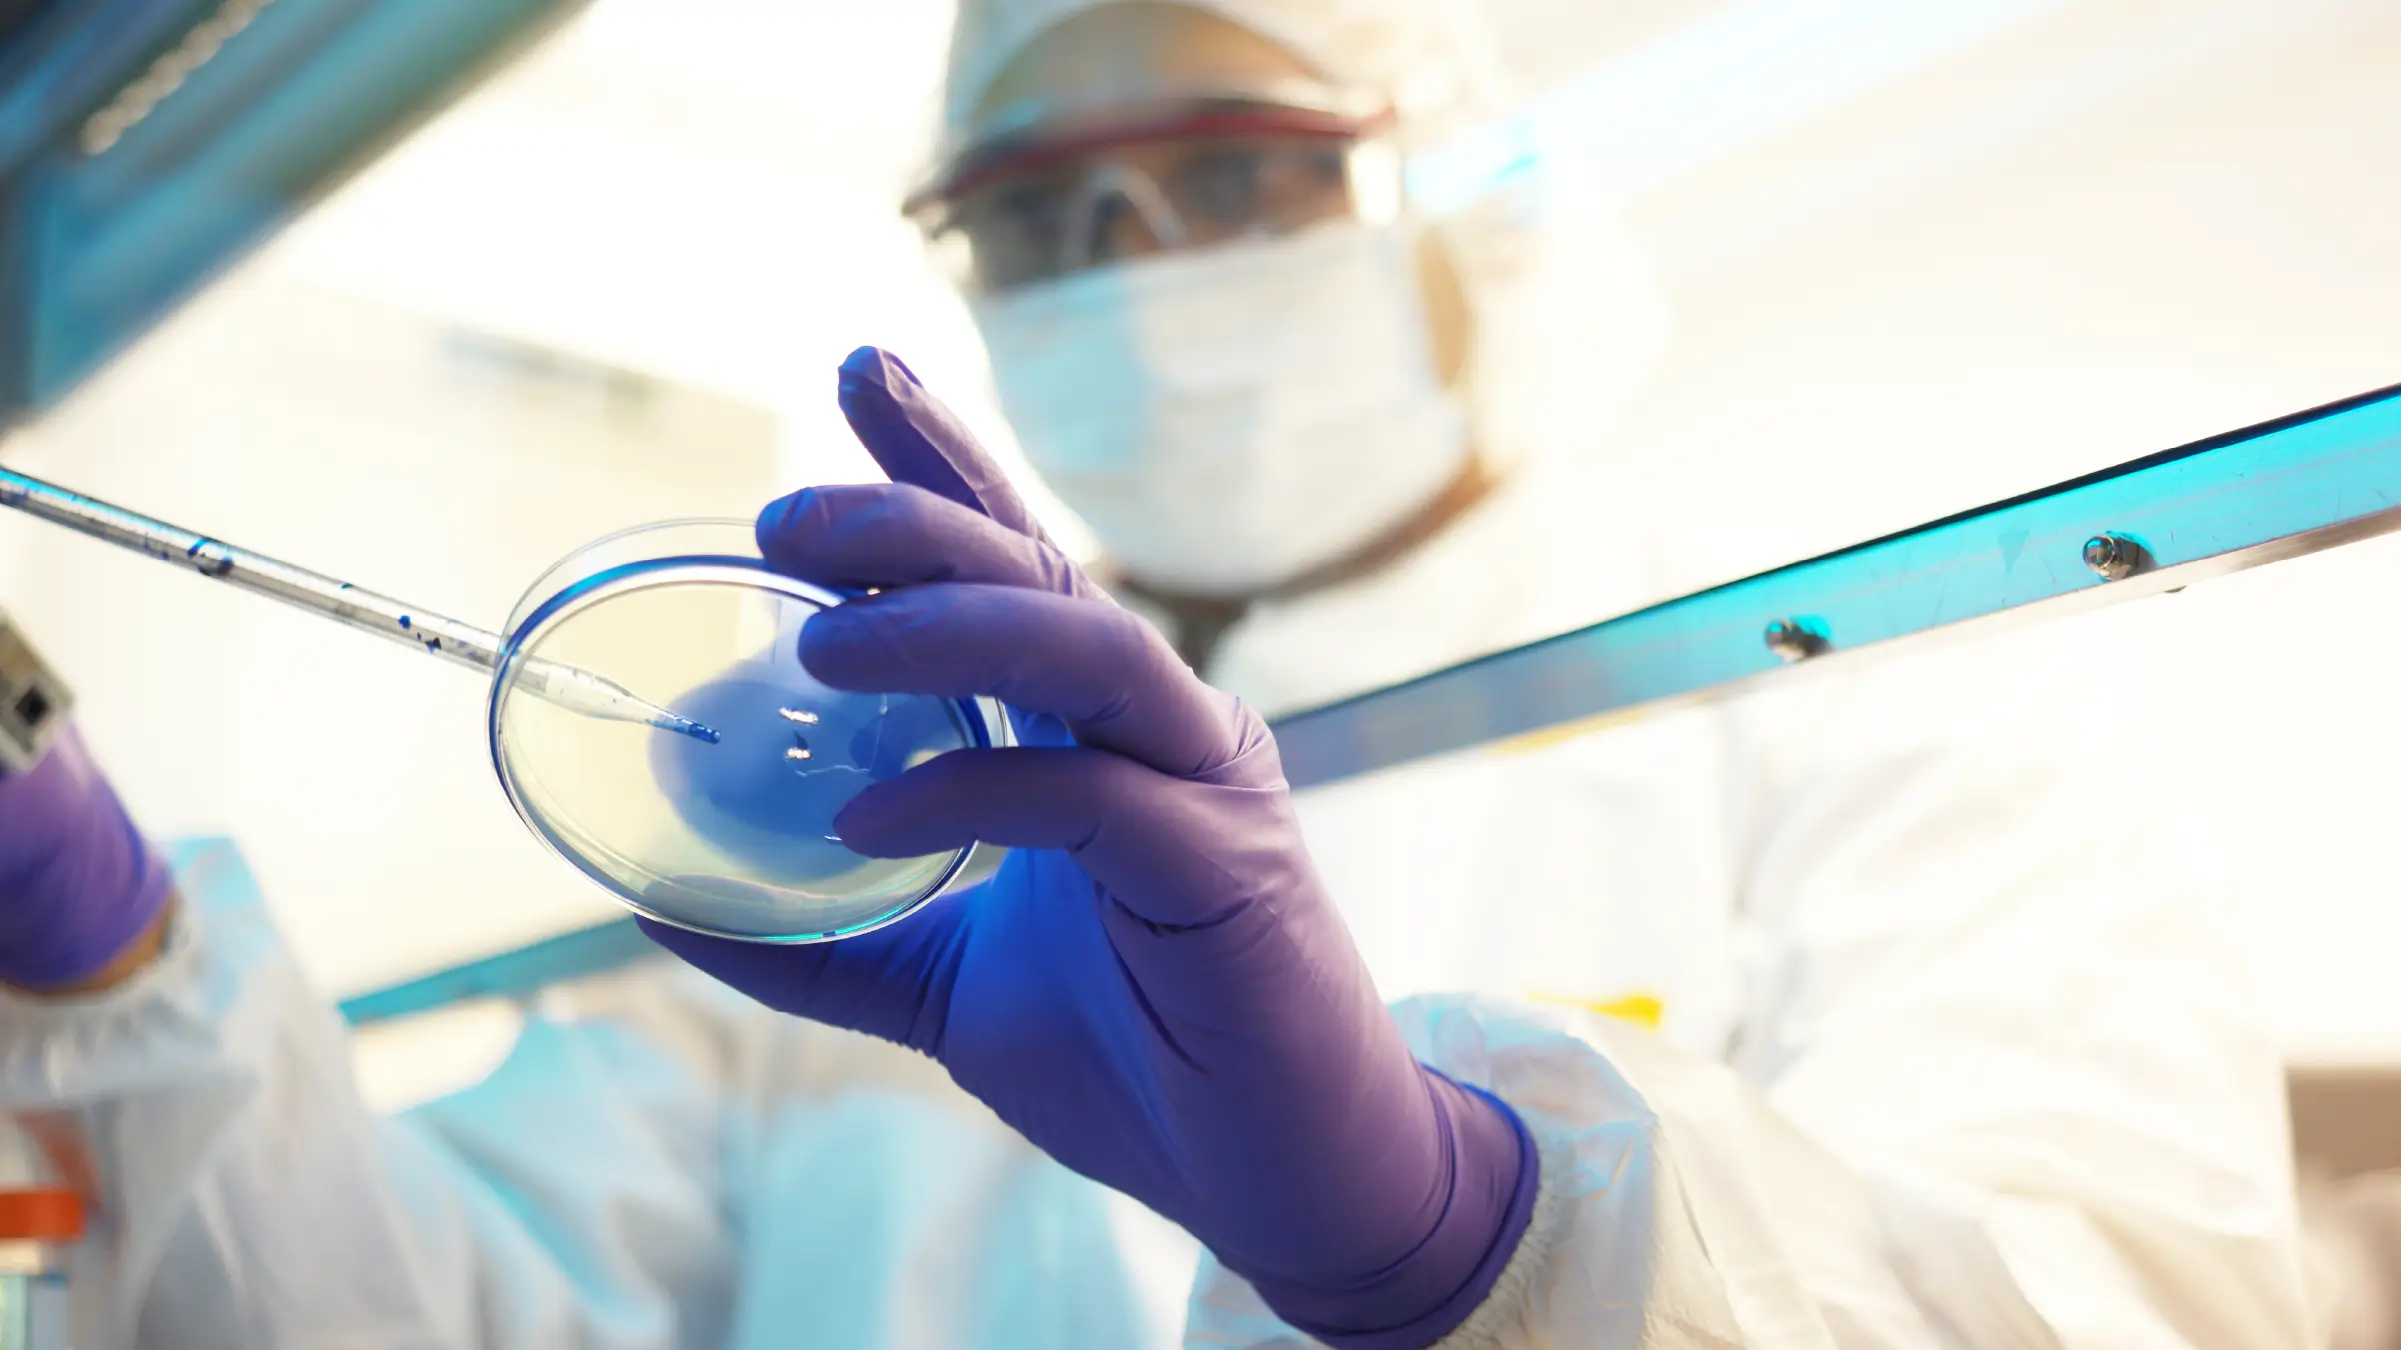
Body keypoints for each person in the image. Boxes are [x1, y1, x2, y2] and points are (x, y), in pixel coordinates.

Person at [0, 1, 2316, 1347]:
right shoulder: (870, 802)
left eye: (1224, 178)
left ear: (1463, 204)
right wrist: (111, 946)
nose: (1119, 272)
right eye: (1030, 215)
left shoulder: (1855, 689)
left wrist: (1479, 1234)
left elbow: (2120, 1294)